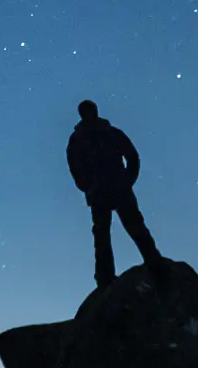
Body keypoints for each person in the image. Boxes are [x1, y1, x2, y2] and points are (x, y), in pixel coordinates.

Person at [65, 100, 167, 288]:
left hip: (119, 188)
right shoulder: (78, 139)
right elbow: (74, 167)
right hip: (99, 192)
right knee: (102, 235)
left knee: (134, 225)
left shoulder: (111, 133)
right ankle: (105, 277)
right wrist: (88, 187)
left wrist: (127, 180)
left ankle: (153, 261)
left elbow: (132, 157)